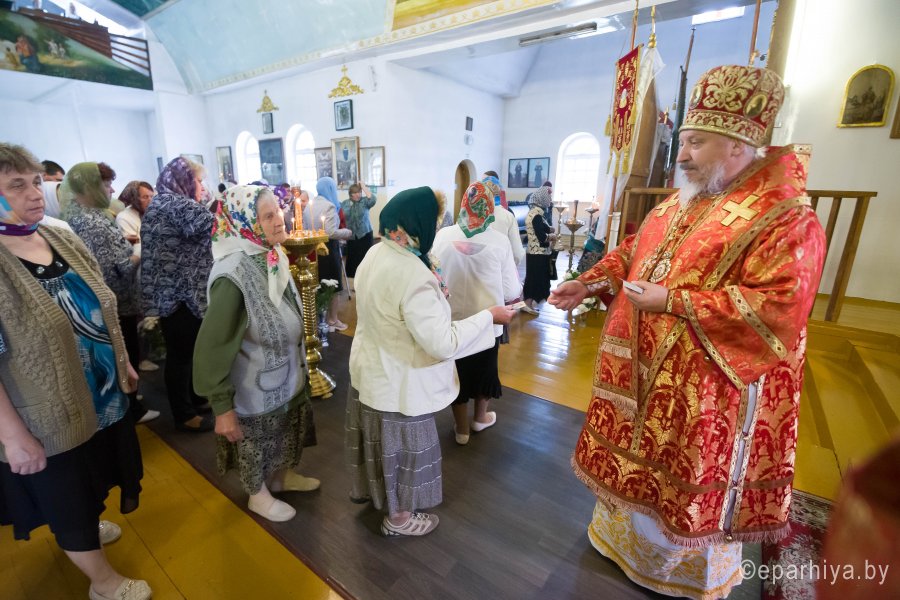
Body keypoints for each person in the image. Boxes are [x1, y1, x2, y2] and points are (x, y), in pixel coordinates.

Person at [548, 65, 826, 600]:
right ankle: (621, 544)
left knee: (681, 479)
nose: (682, 155)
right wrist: (589, 282)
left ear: (738, 144)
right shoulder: (687, 198)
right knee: (636, 467)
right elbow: (634, 252)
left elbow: (778, 308)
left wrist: (673, 302)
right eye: (684, 141)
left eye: (696, 142)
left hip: (708, 391)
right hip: (641, 375)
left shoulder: (785, 216)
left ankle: (679, 572)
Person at [0, 142, 150, 600]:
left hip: (99, 395)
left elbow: (102, 302)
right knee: (66, 496)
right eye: (16, 185)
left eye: (35, 182)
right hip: (44, 415)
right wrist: (11, 436)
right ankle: (102, 583)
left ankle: (88, 524)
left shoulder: (57, 234)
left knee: (94, 473)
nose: (34, 193)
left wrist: (122, 360)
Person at [345, 186, 515, 537]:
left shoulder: (376, 253)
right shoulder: (414, 274)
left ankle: (385, 502)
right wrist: (488, 317)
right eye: (434, 221)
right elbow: (442, 343)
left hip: (373, 372)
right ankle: (399, 520)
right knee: (406, 454)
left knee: (383, 448)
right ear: (418, 223)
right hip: (402, 382)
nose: (437, 228)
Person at [194, 185, 319, 522]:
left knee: (283, 428)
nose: (279, 220)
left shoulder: (267, 253)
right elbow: (212, 346)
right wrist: (222, 406)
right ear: (244, 223)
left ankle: (279, 478)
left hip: (284, 373)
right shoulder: (232, 274)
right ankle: (257, 494)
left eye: (278, 211)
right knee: (257, 439)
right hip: (255, 384)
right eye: (267, 216)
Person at [60, 164, 159, 426]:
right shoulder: (92, 222)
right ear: (89, 187)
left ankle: (130, 399)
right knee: (126, 352)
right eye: (106, 185)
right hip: (116, 301)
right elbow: (118, 270)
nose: (112, 190)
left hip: (109, 301)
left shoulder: (84, 216)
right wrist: (139, 252)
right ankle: (132, 408)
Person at [433, 182, 521, 445]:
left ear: (464, 204)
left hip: (452, 320)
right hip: (488, 320)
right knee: (485, 369)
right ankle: (480, 418)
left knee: (456, 372)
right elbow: (511, 289)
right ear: (489, 207)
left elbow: (434, 275)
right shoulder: (499, 240)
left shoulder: (443, 236)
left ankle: (461, 429)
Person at [141, 157, 216, 433]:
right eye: (198, 181)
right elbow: (218, 228)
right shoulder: (177, 204)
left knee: (188, 352)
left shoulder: (161, 202)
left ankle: (195, 399)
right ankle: (184, 415)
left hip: (172, 292)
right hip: (181, 294)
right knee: (182, 355)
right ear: (184, 180)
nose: (201, 187)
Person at [309, 176, 351, 330]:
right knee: (333, 286)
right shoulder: (330, 206)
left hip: (313, 249)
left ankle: (320, 319)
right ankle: (332, 320)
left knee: (319, 285)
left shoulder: (310, 205)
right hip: (328, 249)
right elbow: (331, 232)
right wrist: (346, 232)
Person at [521, 185, 556, 314]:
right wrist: (551, 236)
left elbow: (541, 227)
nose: (550, 199)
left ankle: (528, 303)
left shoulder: (535, 212)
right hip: (537, 253)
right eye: (548, 196)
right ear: (542, 198)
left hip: (534, 252)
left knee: (533, 278)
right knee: (534, 279)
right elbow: (541, 237)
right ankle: (527, 304)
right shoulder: (536, 215)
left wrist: (549, 229)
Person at [482, 174, 525, 265]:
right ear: (499, 193)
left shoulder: (473, 214)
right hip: (501, 266)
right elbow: (517, 253)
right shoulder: (508, 216)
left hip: (477, 267)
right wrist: (509, 266)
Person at [340, 182, 377, 286]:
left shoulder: (364, 201)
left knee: (366, 257)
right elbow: (341, 217)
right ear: (350, 194)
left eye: (359, 192)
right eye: (355, 193)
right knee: (353, 259)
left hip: (365, 234)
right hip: (351, 235)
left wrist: (363, 186)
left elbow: (373, 199)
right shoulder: (344, 203)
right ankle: (354, 284)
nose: (358, 195)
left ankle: (367, 281)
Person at [115, 180, 154, 256]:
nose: (150, 201)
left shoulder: (151, 213)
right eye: (145, 197)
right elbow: (136, 249)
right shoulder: (124, 218)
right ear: (135, 199)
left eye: (152, 196)